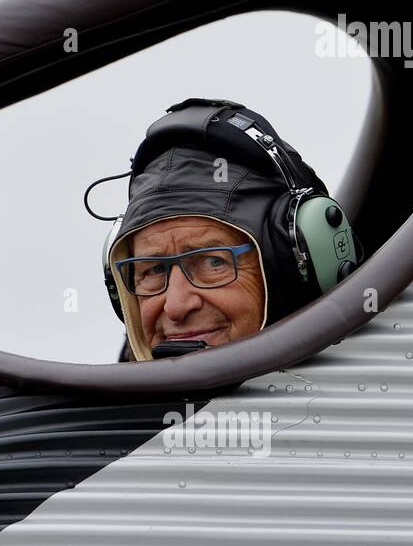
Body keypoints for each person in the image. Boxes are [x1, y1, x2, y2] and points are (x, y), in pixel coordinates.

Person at [96, 98, 356, 362]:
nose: (175, 306)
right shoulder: (112, 399)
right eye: (153, 269)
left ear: (290, 265)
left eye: (212, 262)